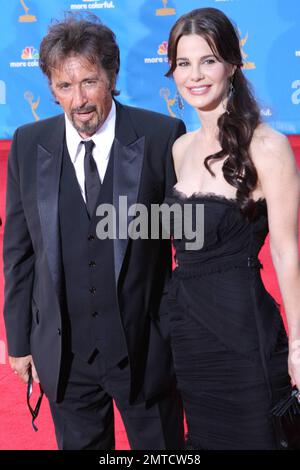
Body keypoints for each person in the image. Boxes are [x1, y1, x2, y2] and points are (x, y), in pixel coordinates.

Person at [3, 14, 186, 450]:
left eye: (89, 82)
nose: (78, 100)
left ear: (112, 74)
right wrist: (20, 340)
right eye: (64, 87)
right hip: (67, 358)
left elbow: (186, 243)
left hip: (145, 351)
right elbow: (19, 253)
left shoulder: (160, 136)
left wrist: (174, 329)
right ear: (50, 87)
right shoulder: (29, 145)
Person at [163, 7, 300, 449]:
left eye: (208, 60)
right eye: (184, 63)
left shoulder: (267, 146)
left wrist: (298, 344)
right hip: (186, 331)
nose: (195, 75)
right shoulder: (180, 148)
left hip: (242, 332)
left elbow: (285, 250)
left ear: (232, 65)